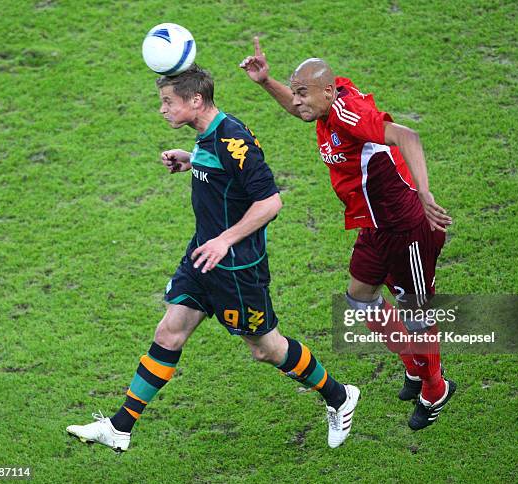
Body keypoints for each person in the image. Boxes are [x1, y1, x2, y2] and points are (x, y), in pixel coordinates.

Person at [66, 64, 359, 452]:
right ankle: (120, 427)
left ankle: (339, 397)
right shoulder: (206, 135)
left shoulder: (233, 140)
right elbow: (221, 173)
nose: (162, 110)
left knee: (266, 349)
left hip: (236, 268)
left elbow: (270, 202)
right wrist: (191, 160)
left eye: (168, 102)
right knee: (169, 331)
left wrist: (225, 240)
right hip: (203, 256)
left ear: (196, 100)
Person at [240, 39, 456, 430]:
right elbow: (299, 108)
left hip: (406, 228)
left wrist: (425, 194)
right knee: (361, 299)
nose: (297, 101)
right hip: (374, 227)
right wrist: (266, 81)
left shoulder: (349, 113)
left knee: (417, 315)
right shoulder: (323, 107)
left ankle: (436, 387)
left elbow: (407, 136)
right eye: (296, 91)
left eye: (302, 93)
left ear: (326, 91)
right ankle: (413, 364)